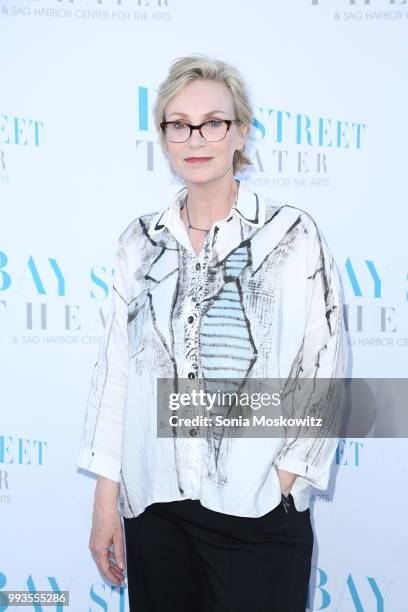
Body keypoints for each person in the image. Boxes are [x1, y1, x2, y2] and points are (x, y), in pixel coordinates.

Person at [77, 54, 348, 612]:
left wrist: (287, 481)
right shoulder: (139, 241)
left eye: (213, 122)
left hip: (257, 507)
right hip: (157, 507)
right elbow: (116, 372)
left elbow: (322, 366)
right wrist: (109, 498)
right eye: (179, 123)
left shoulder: (292, 235)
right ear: (164, 136)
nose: (196, 137)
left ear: (240, 131)